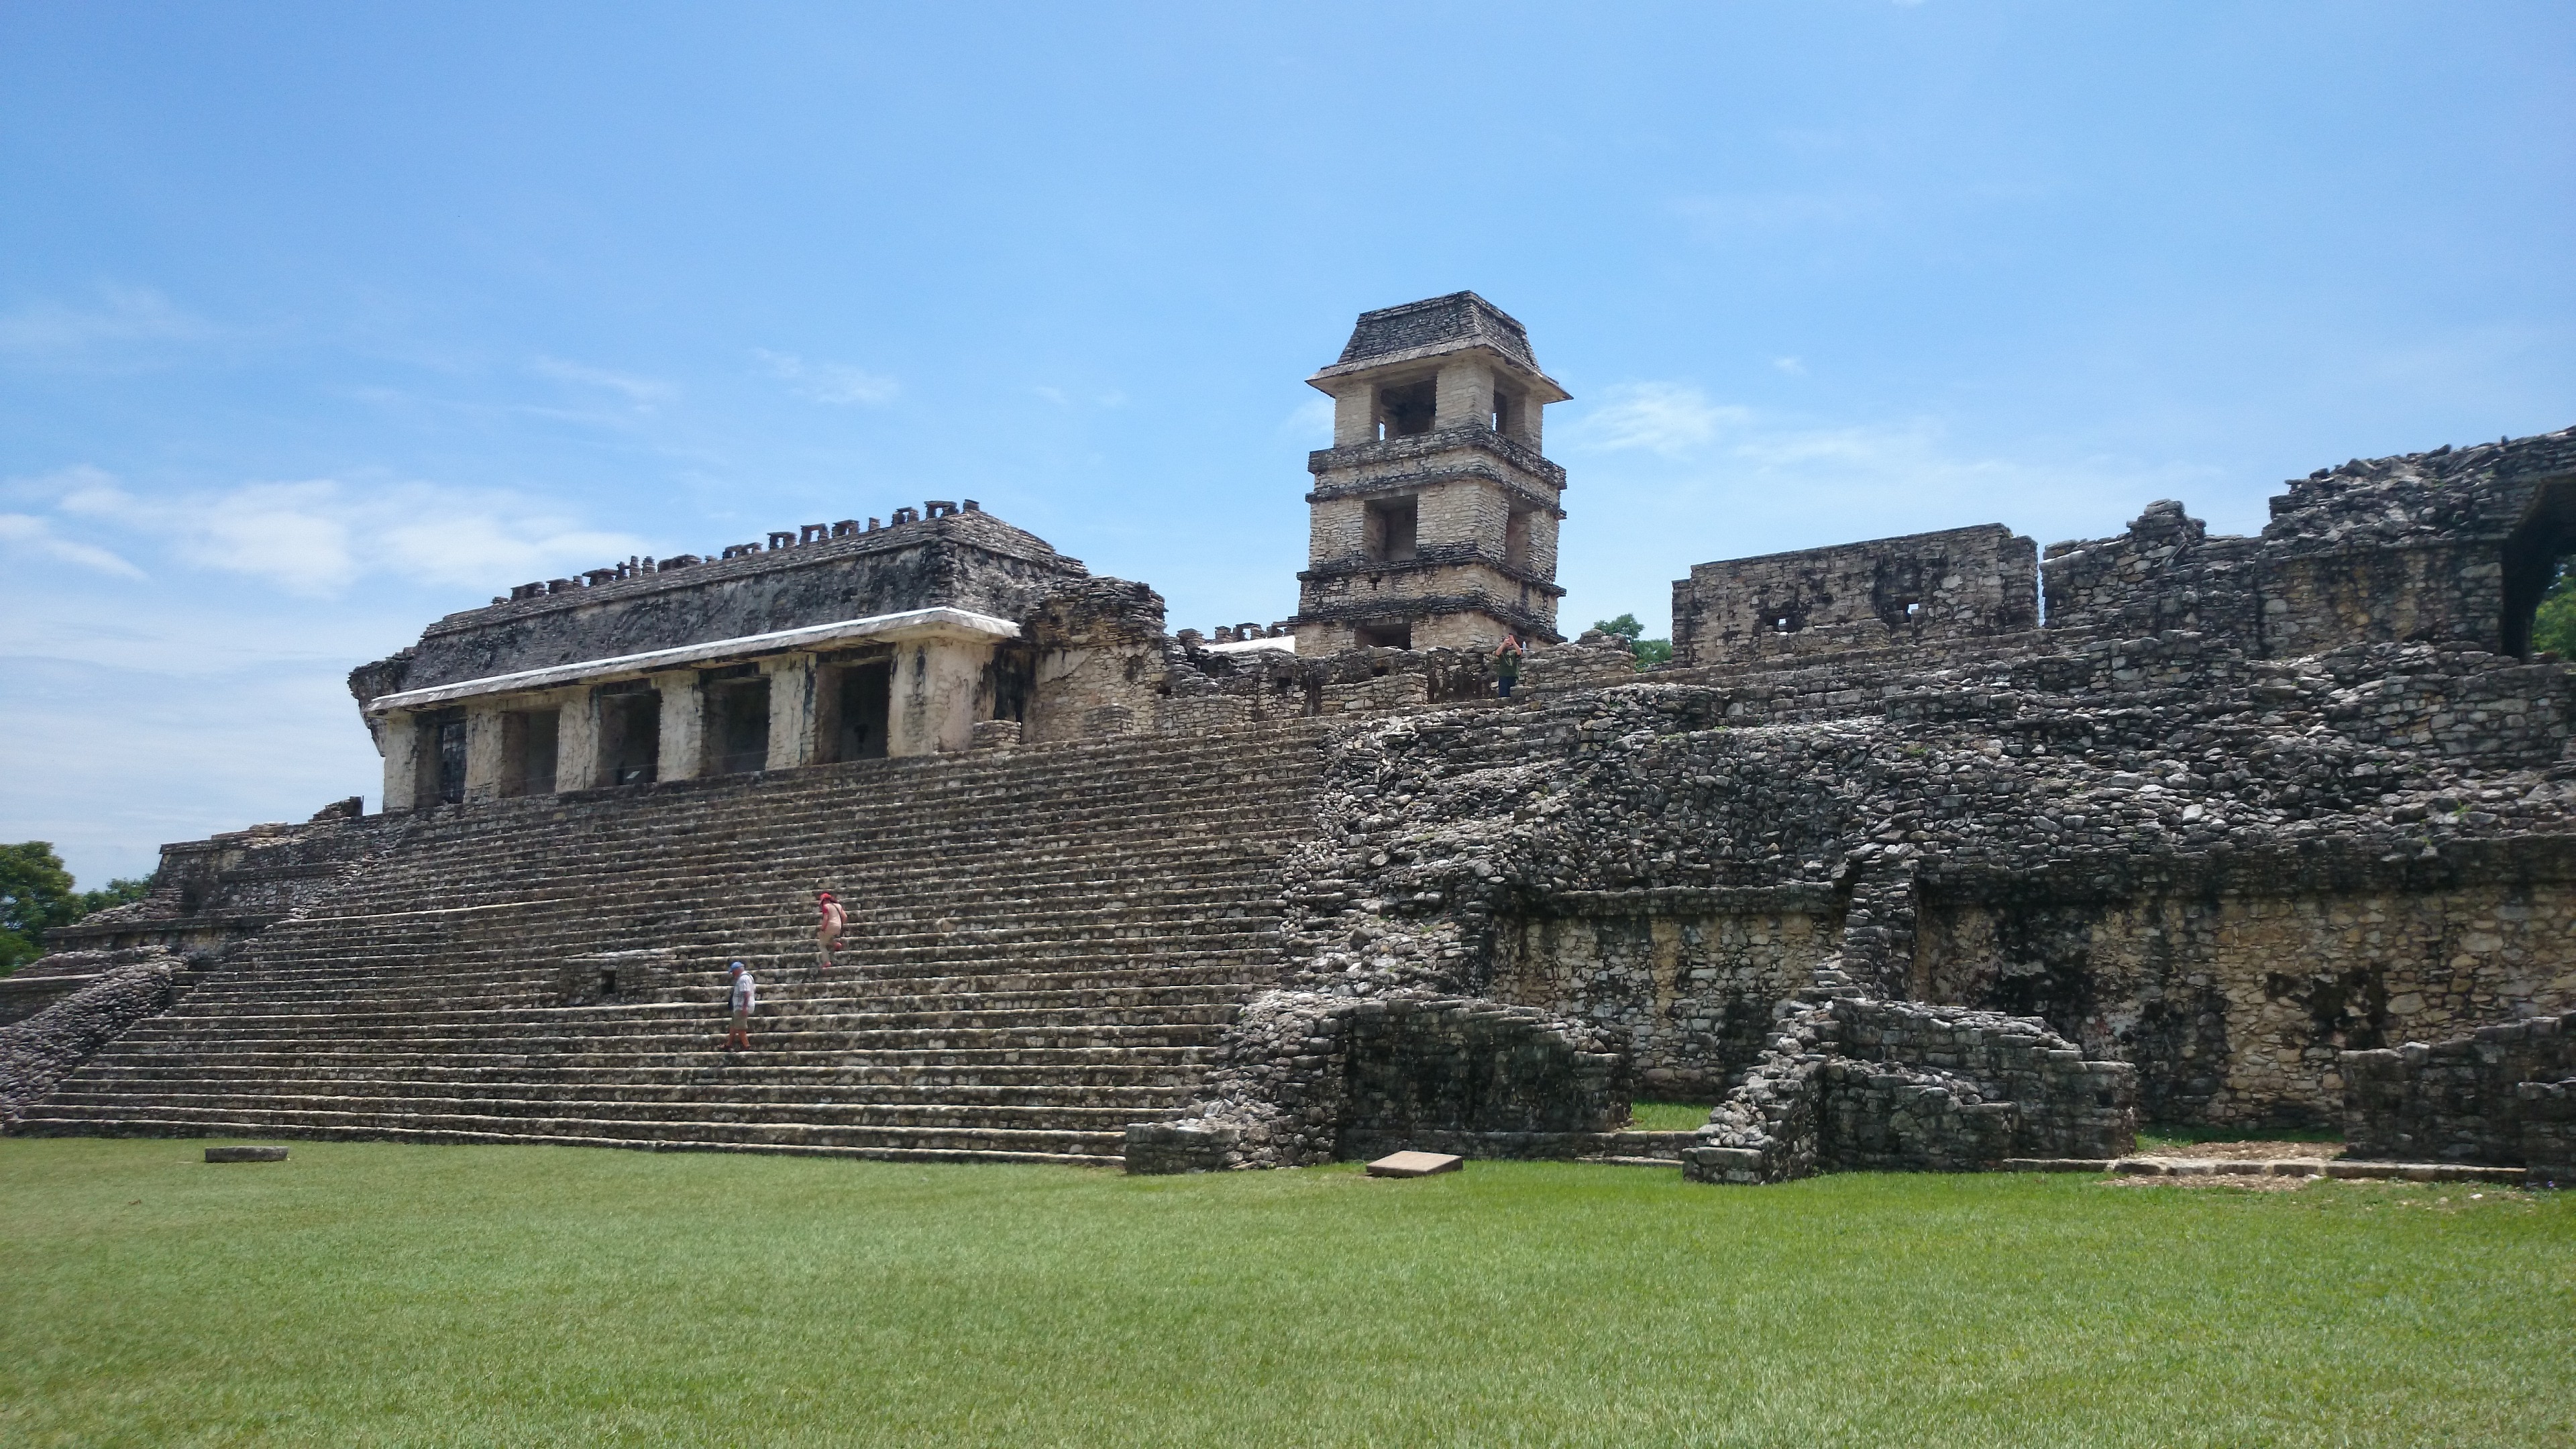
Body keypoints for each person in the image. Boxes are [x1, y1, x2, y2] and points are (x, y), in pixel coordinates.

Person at [722, 961, 757, 1051]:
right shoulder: (747, 977)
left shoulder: (743, 979)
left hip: (741, 1006)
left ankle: (747, 1046)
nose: (733, 974)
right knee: (734, 1025)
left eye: (733, 971)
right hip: (739, 1006)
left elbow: (746, 993)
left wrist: (744, 1007)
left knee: (740, 1027)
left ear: (738, 970)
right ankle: (728, 1044)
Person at [816, 890, 846, 968]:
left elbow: (826, 919)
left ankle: (827, 962)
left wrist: (822, 929)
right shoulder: (838, 906)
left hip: (830, 926)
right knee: (827, 937)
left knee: (822, 944)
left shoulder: (826, 907)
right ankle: (836, 944)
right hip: (838, 926)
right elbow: (845, 916)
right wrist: (840, 924)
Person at [1492, 633, 1525, 699]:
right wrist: (1504, 643)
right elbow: (1497, 653)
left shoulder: (1514, 652)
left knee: (1514, 695)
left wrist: (1513, 642)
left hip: (1513, 675)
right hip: (1504, 676)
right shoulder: (1502, 652)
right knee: (1503, 695)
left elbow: (1519, 653)